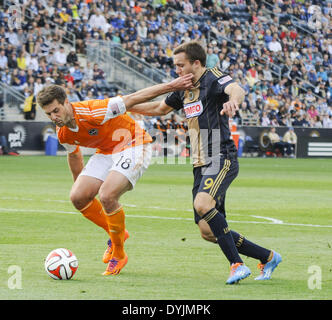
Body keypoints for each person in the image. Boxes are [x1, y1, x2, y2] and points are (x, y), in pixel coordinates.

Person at [129, 41, 282, 284]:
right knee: (207, 231)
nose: (177, 70)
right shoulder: (183, 89)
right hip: (200, 163)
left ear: (196, 63)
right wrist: (126, 106)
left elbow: (236, 89)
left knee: (202, 204)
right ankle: (268, 256)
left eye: (181, 65)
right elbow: (159, 108)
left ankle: (237, 265)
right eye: (176, 66)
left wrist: (234, 101)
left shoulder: (212, 78)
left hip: (220, 156)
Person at [36, 75, 193, 276]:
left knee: (108, 196)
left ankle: (119, 254)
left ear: (67, 102)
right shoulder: (62, 132)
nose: (54, 117)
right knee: (77, 197)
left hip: (132, 143)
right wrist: (82, 188)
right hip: (107, 151)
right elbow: (74, 156)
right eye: (49, 114)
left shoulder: (95, 109)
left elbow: (134, 98)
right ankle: (117, 233)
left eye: (56, 110)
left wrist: (173, 86)